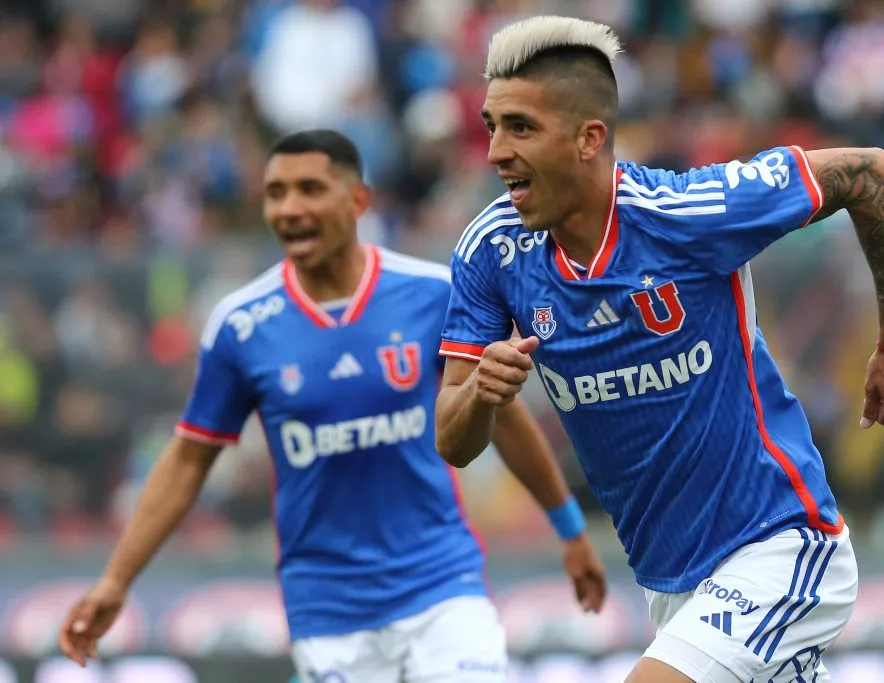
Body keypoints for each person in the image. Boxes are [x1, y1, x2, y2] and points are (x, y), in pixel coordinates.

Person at [434, 15, 884, 683]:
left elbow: (870, 173)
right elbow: (453, 439)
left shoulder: (688, 213)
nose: (496, 151)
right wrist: (480, 394)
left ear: (588, 138)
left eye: (520, 127)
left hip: (780, 542)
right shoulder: (490, 251)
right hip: (671, 584)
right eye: (492, 126)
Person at [58, 130, 607, 683]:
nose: (289, 208)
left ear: (357, 200)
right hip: (327, 608)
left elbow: (501, 414)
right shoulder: (242, 325)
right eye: (276, 193)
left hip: (441, 585)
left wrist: (570, 530)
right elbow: (187, 460)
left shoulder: (432, 294)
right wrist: (115, 582)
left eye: (310, 189)